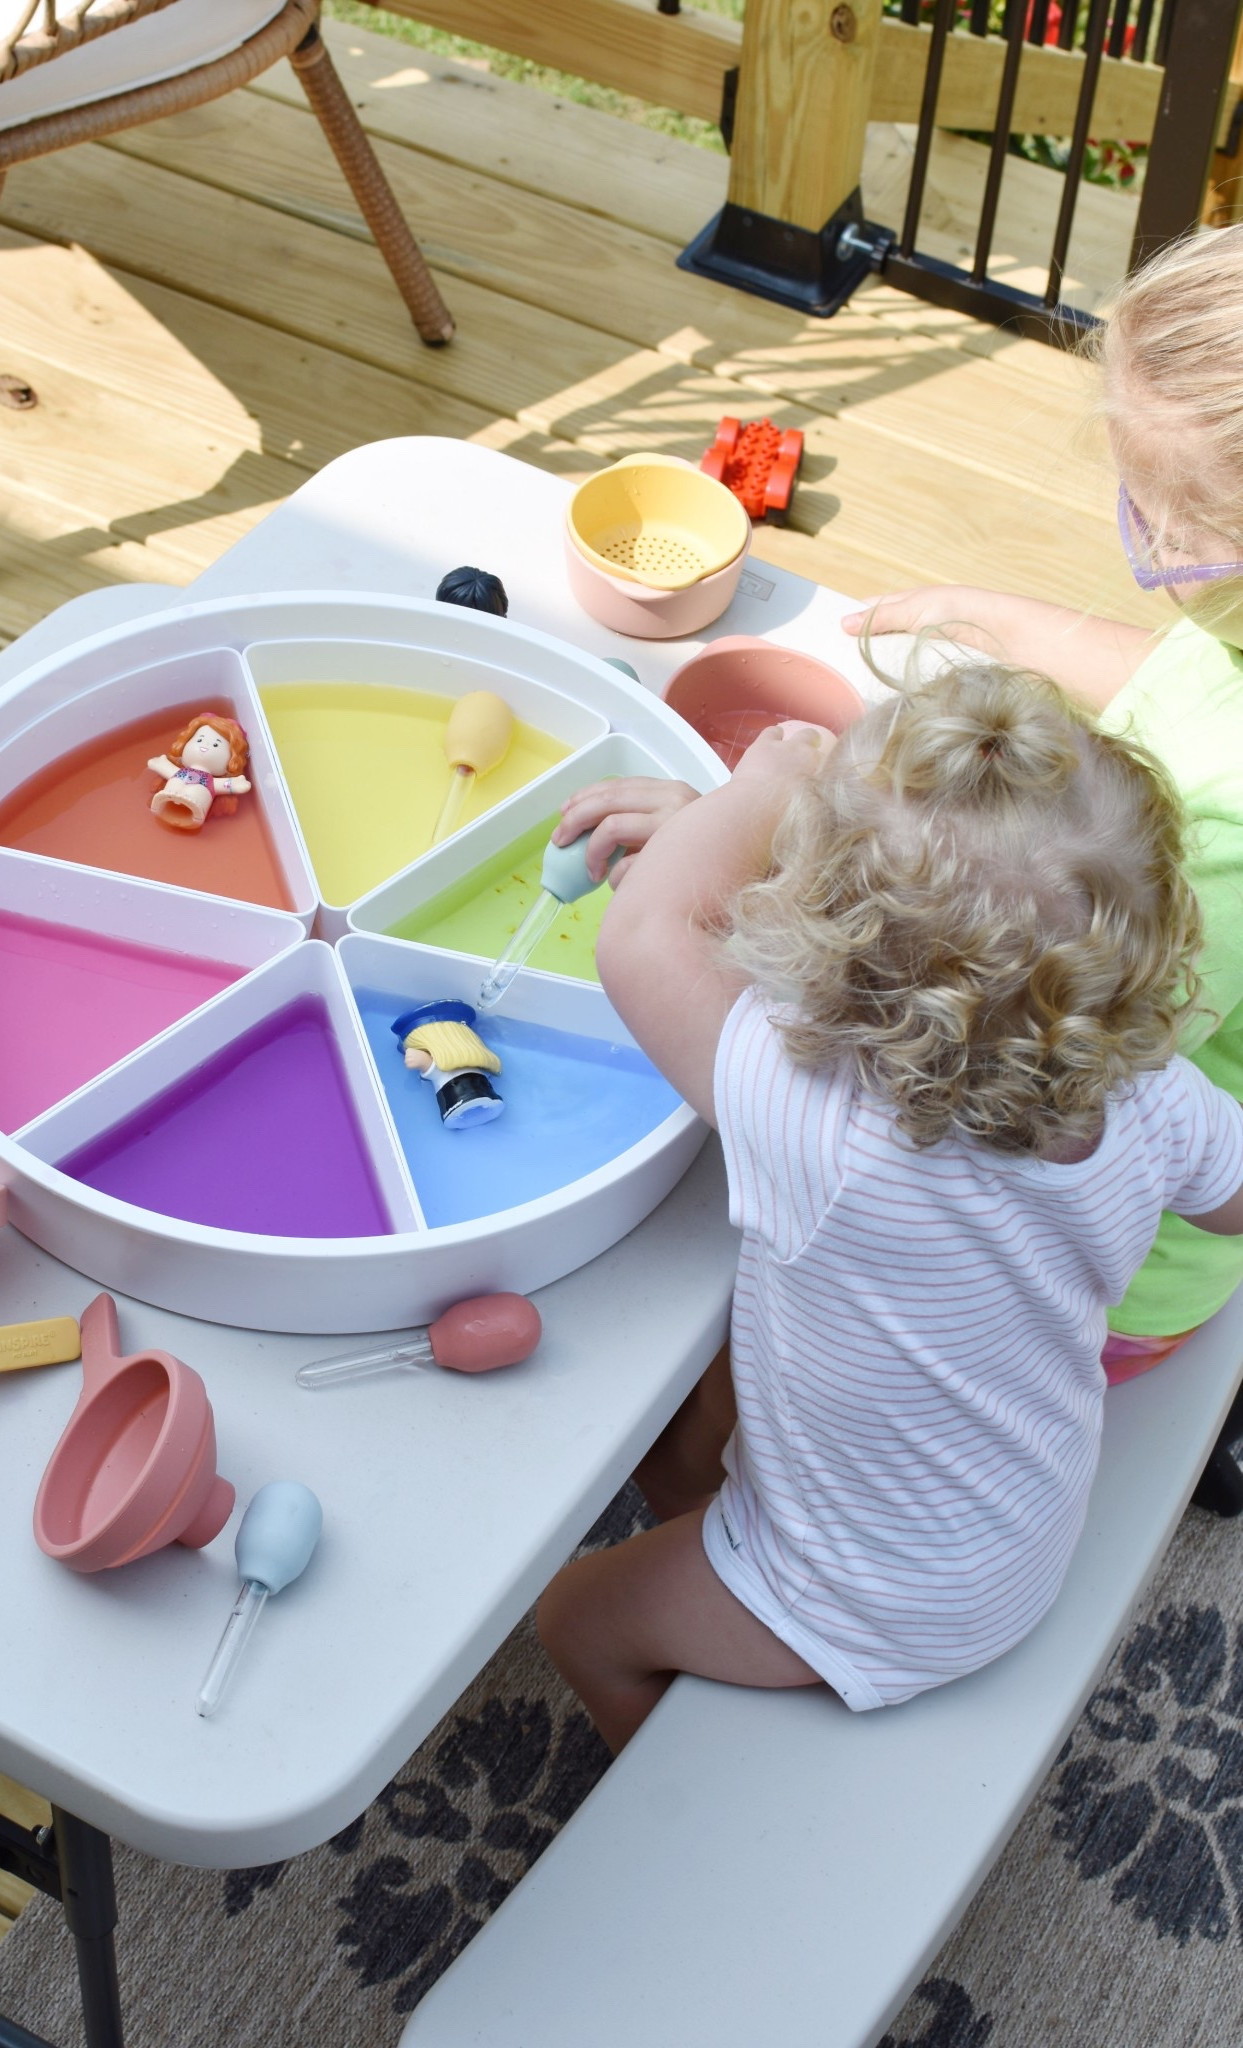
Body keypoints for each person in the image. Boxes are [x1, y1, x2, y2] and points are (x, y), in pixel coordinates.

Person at [537, 655, 1243, 1754]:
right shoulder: (1152, 1093)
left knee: (576, 1615)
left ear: (824, 941)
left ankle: (692, 1778)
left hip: (880, 1602)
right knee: (681, 1442)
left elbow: (645, 936)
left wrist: (768, 787)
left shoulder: (823, 1124)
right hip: (1017, 1514)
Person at [842, 225, 1243, 1384]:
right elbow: (1176, 673)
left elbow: (1028, 1051)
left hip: (1088, 1270)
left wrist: (796, 882)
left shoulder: (1221, 854)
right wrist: (985, 614)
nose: (1140, 531)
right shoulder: (1227, 640)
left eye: (1158, 516)